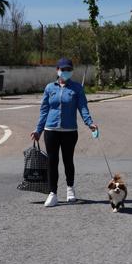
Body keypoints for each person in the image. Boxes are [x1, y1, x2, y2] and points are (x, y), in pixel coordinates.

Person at [31, 58, 97, 207]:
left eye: (68, 69)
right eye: (63, 69)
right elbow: (44, 110)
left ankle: (70, 189)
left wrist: (89, 123)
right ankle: (53, 193)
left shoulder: (77, 89)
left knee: (68, 160)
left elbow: (83, 107)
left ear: (71, 71)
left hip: (69, 131)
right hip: (51, 130)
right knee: (52, 162)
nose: (65, 72)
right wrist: (38, 130)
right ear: (57, 70)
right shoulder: (49, 88)